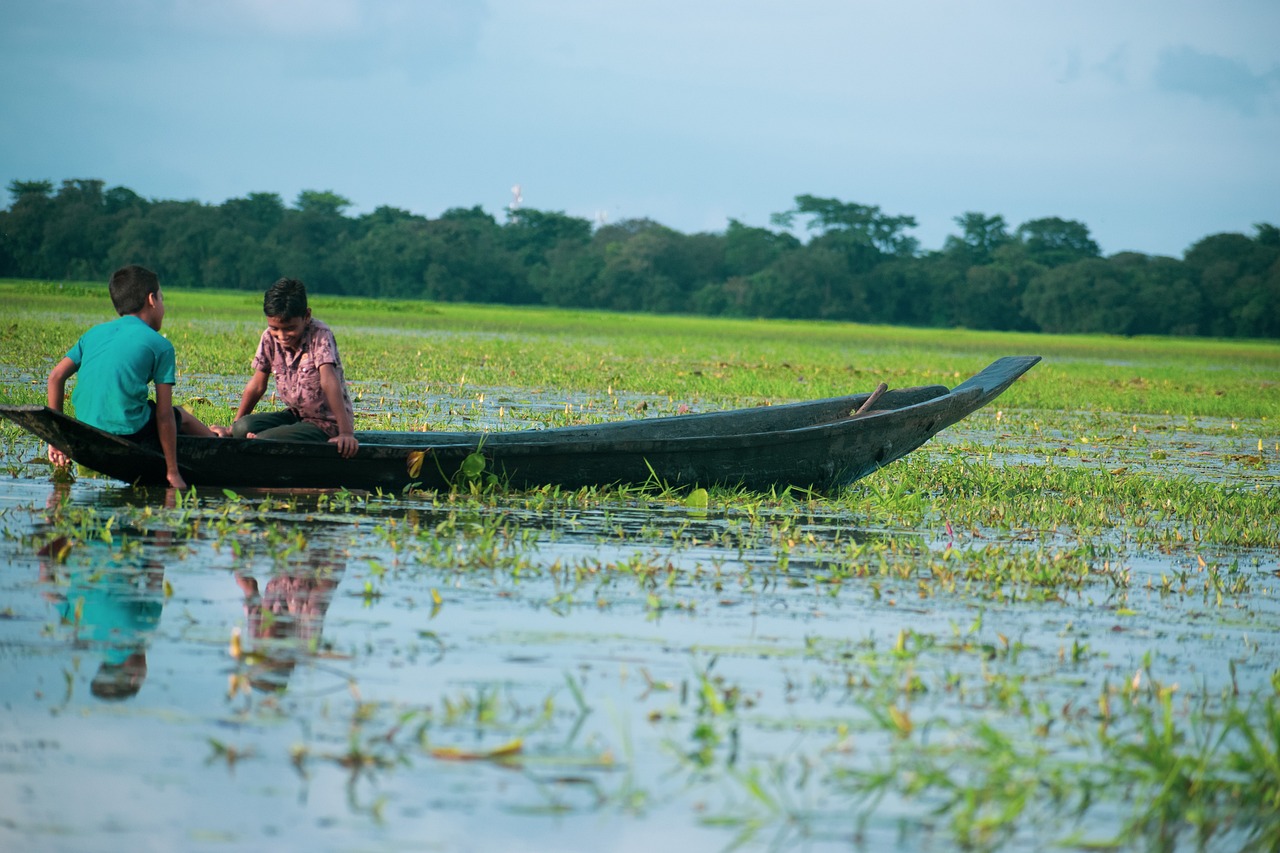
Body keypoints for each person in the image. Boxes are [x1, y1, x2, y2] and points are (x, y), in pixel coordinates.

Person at [46, 264, 222, 490]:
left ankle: (215, 436)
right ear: (152, 299)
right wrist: (172, 472)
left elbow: (55, 378)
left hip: (85, 427)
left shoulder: (93, 333)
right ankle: (218, 444)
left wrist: (57, 440)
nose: (163, 306)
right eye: (162, 298)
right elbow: (164, 415)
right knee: (183, 417)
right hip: (129, 432)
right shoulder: (160, 345)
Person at [230, 278, 358, 458]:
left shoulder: (320, 335)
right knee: (242, 428)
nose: (281, 336)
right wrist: (232, 428)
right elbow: (257, 385)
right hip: (296, 416)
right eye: (275, 328)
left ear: (306, 316)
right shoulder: (269, 338)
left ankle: (264, 439)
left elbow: (329, 381)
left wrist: (346, 433)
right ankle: (257, 436)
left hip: (325, 423)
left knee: (265, 440)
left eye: (290, 328)